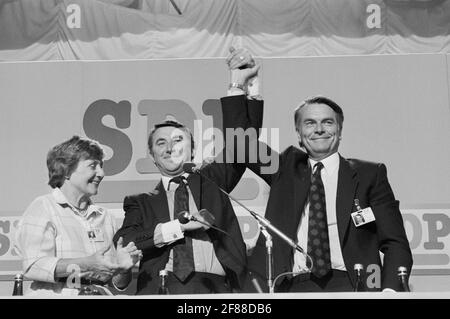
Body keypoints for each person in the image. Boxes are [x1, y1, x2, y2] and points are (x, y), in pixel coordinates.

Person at [221, 60, 413, 292]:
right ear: (299, 135)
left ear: (339, 131)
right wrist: (239, 85)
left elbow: (395, 242)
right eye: (310, 123)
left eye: (327, 122)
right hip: (294, 285)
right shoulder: (285, 169)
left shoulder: (369, 174)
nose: (319, 129)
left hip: (355, 285)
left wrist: (391, 291)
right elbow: (241, 145)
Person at [112, 52, 261, 294]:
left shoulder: (212, 180)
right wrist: (178, 227)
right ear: (151, 155)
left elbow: (243, 143)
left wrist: (244, 85)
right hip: (161, 289)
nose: (170, 147)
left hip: (215, 289)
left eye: (178, 140)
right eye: (161, 143)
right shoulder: (140, 202)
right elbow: (127, 241)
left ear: (192, 150)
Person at [15, 136, 142, 296]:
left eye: (101, 166)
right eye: (93, 166)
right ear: (67, 170)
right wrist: (86, 264)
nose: (101, 173)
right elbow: (33, 265)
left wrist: (123, 269)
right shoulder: (43, 207)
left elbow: (116, 283)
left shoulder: (106, 217)